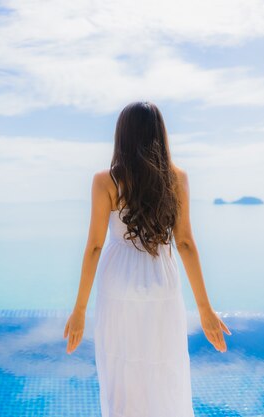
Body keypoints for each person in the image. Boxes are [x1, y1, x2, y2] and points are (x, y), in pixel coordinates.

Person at [63, 101, 231, 416]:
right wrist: (205, 310)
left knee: (121, 367)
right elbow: (185, 242)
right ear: (160, 134)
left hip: (119, 282)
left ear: (121, 135)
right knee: (165, 366)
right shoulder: (176, 178)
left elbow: (95, 247)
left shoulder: (106, 181)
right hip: (161, 280)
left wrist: (79, 311)